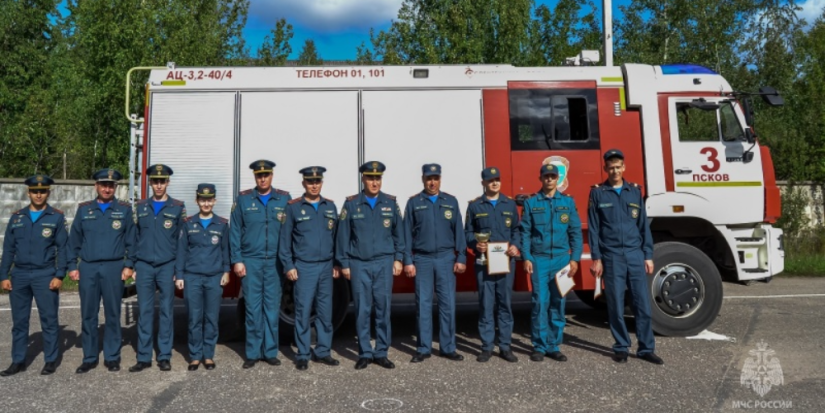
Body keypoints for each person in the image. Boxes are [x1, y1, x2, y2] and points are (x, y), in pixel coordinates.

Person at [588, 149, 663, 365]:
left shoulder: (634, 192)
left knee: (642, 305)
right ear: (605, 169)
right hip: (611, 257)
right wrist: (597, 258)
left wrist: (648, 255)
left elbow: (643, 227)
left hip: (634, 255)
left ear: (624, 168)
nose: (614, 170)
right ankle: (621, 346)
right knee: (615, 305)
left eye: (618, 166)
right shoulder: (598, 194)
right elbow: (594, 229)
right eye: (610, 167)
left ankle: (646, 348)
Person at [335, 161, 405, 370]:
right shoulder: (351, 204)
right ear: (363, 179)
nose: (374, 182)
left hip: (384, 263)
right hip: (359, 264)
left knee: (383, 309)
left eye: (378, 178)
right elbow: (343, 237)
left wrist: (398, 258)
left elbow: (398, 234)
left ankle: (381, 352)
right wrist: (344, 263)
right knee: (362, 310)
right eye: (370, 178)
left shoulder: (390, 203)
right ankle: (365, 352)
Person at [68, 168, 136, 373]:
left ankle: (112, 356)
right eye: (103, 184)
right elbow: (73, 241)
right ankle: (89, 357)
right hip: (88, 267)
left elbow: (132, 242)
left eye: (111, 185)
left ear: (115, 187)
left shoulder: (124, 210)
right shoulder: (84, 210)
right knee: (88, 314)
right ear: (96, 186)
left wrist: (129, 265)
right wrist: (72, 266)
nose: (107, 188)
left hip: (114, 267)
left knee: (113, 313)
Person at [0, 175, 68, 376]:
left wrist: (60, 275)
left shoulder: (56, 217)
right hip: (19, 275)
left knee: (48, 319)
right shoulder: (17, 217)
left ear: (48, 192)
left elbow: (63, 249)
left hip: (45, 274)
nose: (39, 194)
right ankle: (18, 360)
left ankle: (50, 360)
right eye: (35, 191)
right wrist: (4, 275)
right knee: (19, 322)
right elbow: (8, 249)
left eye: (43, 191)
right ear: (28, 193)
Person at [230, 160, 291, 369]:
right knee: (253, 308)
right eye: (259, 175)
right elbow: (235, 231)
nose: (262, 178)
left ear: (272, 175)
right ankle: (253, 353)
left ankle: (270, 352)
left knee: (272, 309)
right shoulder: (244, 200)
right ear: (255, 177)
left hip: (275, 262)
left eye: (266, 175)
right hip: (251, 261)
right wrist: (237, 260)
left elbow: (289, 233)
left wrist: (288, 260)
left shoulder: (283, 199)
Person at [403, 164, 466, 363]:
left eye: (436, 178)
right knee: (423, 304)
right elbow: (406, 234)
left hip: (446, 258)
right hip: (422, 259)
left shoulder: (451, 201)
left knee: (447, 304)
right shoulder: (414, 202)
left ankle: (448, 347)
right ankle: (423, 348)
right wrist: (408, 260)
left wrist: (461, 257)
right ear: (423, 179)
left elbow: (459, 232)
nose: (432, 182)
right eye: (429, 178)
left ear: (440, 179)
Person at [279, 166, 341, 371]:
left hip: (325, 267)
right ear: (303, 183)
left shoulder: (330, 207)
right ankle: (303, 354)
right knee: (303, 312)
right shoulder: (294, 207)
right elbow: (284, 240)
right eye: (310, 181)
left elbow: (337, 239)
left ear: (321, 182)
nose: (314, 185)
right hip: (304, 267)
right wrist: (288, 265)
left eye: (317, 181)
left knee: (325, 312)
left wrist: (336, 263)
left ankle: (323, 351)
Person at [520, 163, 582, 363]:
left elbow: (575, 233)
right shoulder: (531, 203)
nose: (549, 179)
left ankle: (553, 346)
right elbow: (525, 234)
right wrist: (527, 257)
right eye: (546, 176)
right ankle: (539, 346)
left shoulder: (568, 203)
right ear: (540, 178)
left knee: (558, 303)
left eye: (553, 177)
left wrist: (575, 259)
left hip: (562, 260)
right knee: (540, 303)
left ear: (558, 180)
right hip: (539, 260)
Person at [130, 164, 186, 373]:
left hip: (167, 265)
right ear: (150, 183)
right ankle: (143, 357)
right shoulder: (141, 207)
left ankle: (164, 355)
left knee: (166, 312)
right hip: (144, 266)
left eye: (163, 181)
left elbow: (182, 242)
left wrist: (178, 270)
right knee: (144, 312)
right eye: (155, 181)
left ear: (168, 182)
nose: (159, 185)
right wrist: (134, 264)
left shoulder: (177, 207)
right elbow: (134, 238)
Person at [464, 167, 520, 363]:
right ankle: (486, 347)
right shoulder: (475, 206)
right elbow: (467, 233)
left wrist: (515, 246)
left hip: (504, 263)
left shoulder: (510, 205)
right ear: (483, 183)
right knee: (486, 305)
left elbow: (516, 230)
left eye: (497, 179)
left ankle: (505, 346)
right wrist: (475, 243)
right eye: (490, 180)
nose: (494, 183)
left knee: (505, 304)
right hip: (483, 264)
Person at [176, 184, 230, 371]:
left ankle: (208, 355)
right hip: (192, 278)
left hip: (214, 278)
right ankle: (195, 356)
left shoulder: (222, 224)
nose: (206, 203)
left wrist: (226, 272)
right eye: (202, 199)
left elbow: (225, 251)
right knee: (194, 318)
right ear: (197, 201)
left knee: (211, 318)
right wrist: (180, 275)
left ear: (214, 201)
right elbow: (182, 251)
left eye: (209, 199)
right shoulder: (188, 224)